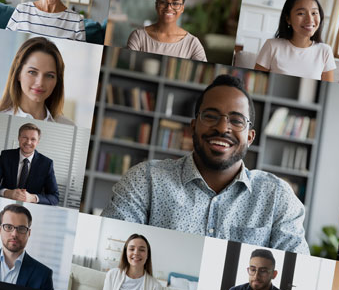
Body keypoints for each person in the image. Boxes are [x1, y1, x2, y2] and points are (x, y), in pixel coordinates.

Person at [106, 75, 309, 253]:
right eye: (210, 116)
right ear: (193, 126)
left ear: (250, 137)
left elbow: (296, 270)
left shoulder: (278, 197)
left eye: (237, 120)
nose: (222, 128)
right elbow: (113, 250)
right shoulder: (145, 180)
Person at [252, 0, 337, 82]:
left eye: (314, 13)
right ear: (288, 19)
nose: (310, 19)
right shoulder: (272, 46)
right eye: (301, 13)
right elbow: (256, 84)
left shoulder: (325, 51)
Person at [125, 0, 208, 61]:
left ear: (182, 8)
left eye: (175, 3)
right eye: (163, 2)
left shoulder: (193, 44)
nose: (169, 8)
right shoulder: (138, 37)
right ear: (156, 5)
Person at [0, 36, 74, 125]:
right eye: (32, 72)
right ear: (18, 74)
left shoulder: (68, 126)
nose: (40, 83)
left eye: (49, 75)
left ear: (57, 81)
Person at [99, 234, 184, 290]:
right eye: (132, 249)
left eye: (142, 250)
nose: (136, 253)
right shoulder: (112, 275)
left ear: (147, 255)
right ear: (126, 253)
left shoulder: (155, 286)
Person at [0, 123, 60, 205]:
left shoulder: (46, 164)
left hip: (31, 208)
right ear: (19, 138)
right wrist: (8, 193)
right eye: (25, 137)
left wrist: (32, 198)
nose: (28, 142)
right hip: (5, 204)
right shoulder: (6, 156)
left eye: (33, 139)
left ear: (38, 142)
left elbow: (54, 197)